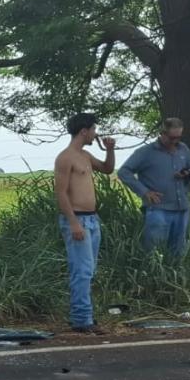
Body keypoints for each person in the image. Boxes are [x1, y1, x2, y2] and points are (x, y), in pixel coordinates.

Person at [54, 112, 116, 333]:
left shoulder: (86, 155)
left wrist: (110, 149)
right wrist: (73, 223)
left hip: (92, 218)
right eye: (93, 130)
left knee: (89, 270)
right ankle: (82, 319)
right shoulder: (65, 158)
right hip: (77, 219)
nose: (95, 134)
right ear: (84, 131)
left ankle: (84, 315)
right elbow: (61, 193)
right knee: (81, 270)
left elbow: (107, 169)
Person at [117, 118, 190, 258]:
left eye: (179, 137)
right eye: (172, 138)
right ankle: (152, 272)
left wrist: (188, 174)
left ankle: (174, 272)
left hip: (182, 208)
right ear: (162, 133)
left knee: (178, 253)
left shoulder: (183, 149)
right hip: (158, 209)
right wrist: (145, 192)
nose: (175, 141)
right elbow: (124, 172)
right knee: (155, 253)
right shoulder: (145, 152)